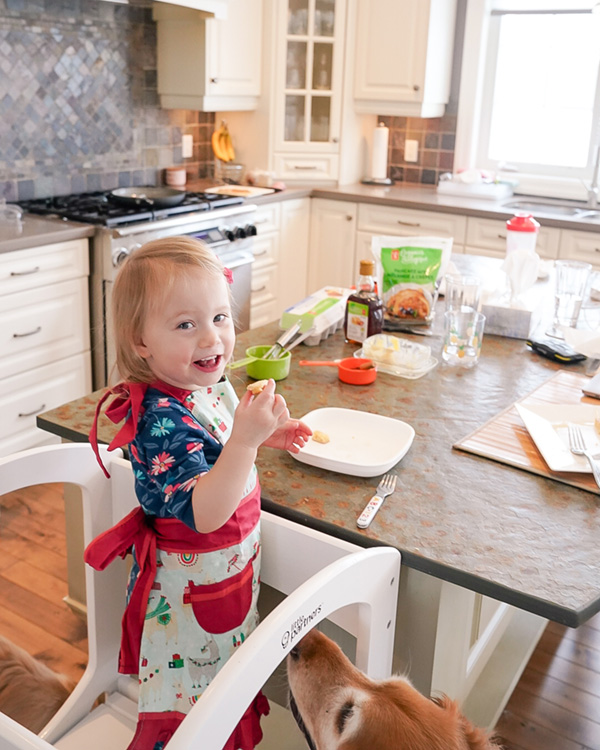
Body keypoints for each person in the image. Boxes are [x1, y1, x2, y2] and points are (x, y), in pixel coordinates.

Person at [85, 236, 312, 750]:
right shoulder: (158, 420)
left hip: (227, 580)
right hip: (187, 606)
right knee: (197, 719)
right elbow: (207, 512)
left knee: (226, 691)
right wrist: (246, 443)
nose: (212, 338)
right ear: (140, 340)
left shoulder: (203, 383)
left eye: (220, 318)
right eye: (186, 324)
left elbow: (219, 443)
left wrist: (259, 436)